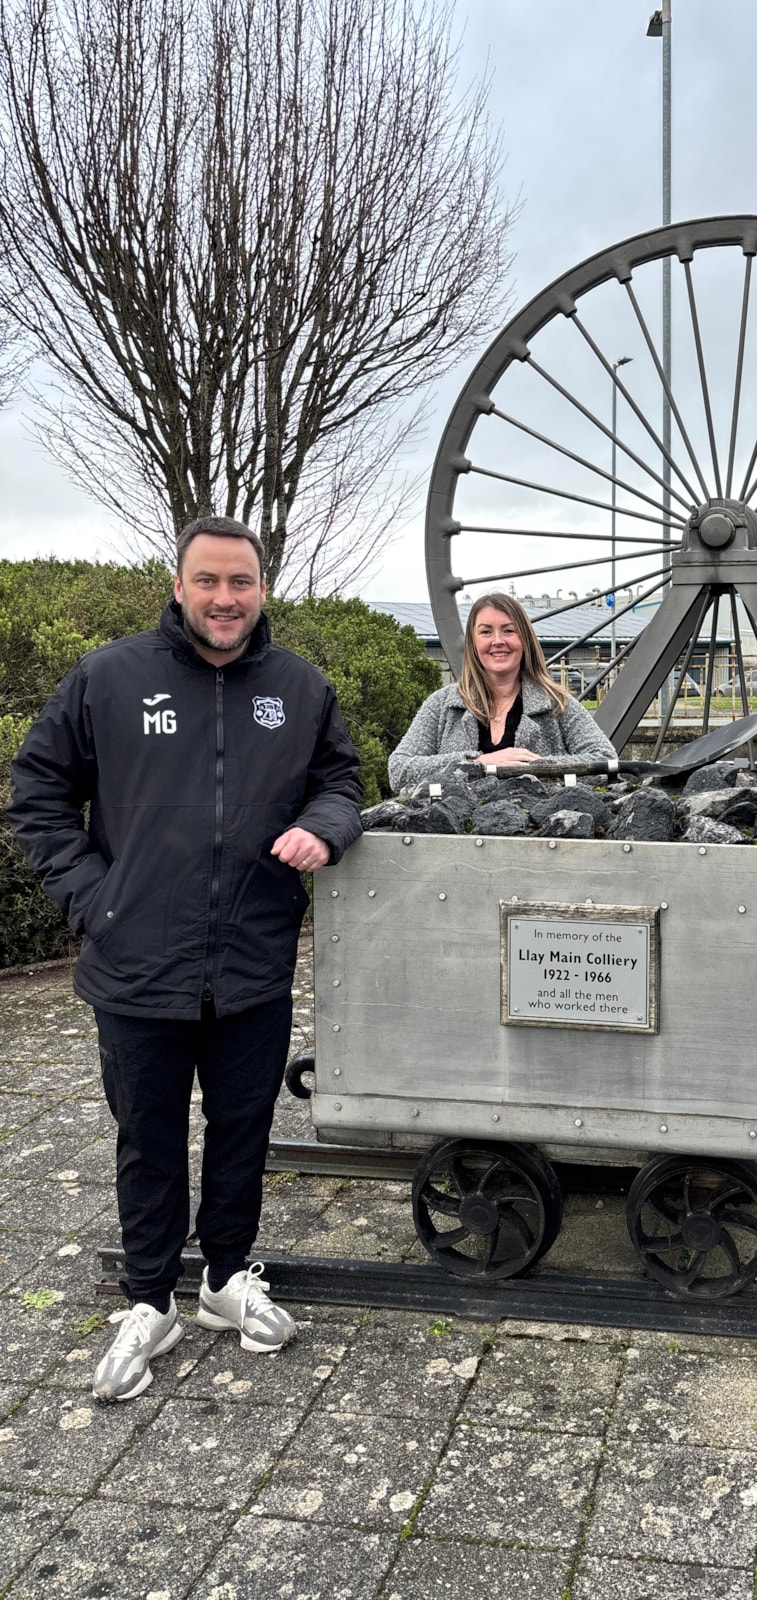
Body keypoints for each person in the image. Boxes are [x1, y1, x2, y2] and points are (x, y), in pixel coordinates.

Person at [7, 516, 363, 1401]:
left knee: (243, 1129)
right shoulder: (110, 677)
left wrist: (323, 827)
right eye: (207, 581)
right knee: (149, 1136)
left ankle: (225, 1280)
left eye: (239, 583)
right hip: (136, 964)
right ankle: (149, 1298)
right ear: (179, 585)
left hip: (252, 957)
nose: (224, 599)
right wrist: (96, 899)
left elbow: (342, 780)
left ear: (261, 590)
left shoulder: (300, 687)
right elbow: (38, 792)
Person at [388, 592, 616, 789]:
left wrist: (535, 768)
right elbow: (399, 771)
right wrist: (478, 763)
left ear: (525, 639)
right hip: (457, 836)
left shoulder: (557, 704)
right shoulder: (442, 705)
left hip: (539, 835)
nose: (498, 641)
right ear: (472, 643)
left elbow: (606, 762)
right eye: (486, 632)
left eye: (508, 631)